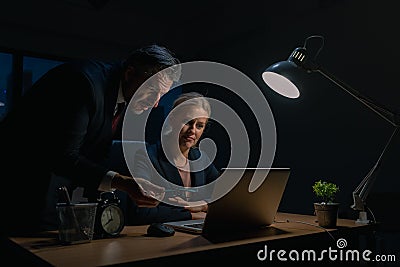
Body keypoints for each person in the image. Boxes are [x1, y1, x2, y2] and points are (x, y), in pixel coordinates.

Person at [0, 44, 181, 236]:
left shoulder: (120, 97)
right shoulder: (83, 83)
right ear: (129, 74)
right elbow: (64, 156)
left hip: (45, 194)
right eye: (153, 91)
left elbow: (96, 153)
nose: (156, 104)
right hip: (16, 189)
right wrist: (124, 183)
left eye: (162, 95)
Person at [126, 92, 220, 225]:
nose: (193, 130)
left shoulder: (201, 159)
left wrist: (204, 206)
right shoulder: (147, 157)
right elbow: (140, 212)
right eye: (187, 122)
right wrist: (192, 215)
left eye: (199, 125)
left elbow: (226, 200)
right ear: (171, 119)